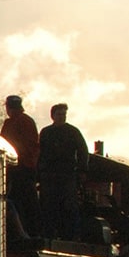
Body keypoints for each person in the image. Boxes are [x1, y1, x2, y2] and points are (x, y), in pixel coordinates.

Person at [38, 103, 89, 241]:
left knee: (69, 206)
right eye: (59, 114)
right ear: (53, 116)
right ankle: (49, 233)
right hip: (49, 175)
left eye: (64, 114)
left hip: (67, 174)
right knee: (49, 205)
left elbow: (83, 151)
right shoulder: (46, 132)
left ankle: (72, 235)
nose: (62, 117)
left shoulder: (73, 132)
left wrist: (82, 170)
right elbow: (40, 153)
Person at [0, 95, 41, 237]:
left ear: (9, 107)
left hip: (18, 168)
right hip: (24, 167)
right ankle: (30, 231)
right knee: (26, 202)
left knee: (20, 201)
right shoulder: (27, 121)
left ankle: (25, 232)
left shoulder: (11, 124)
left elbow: (4, 143)